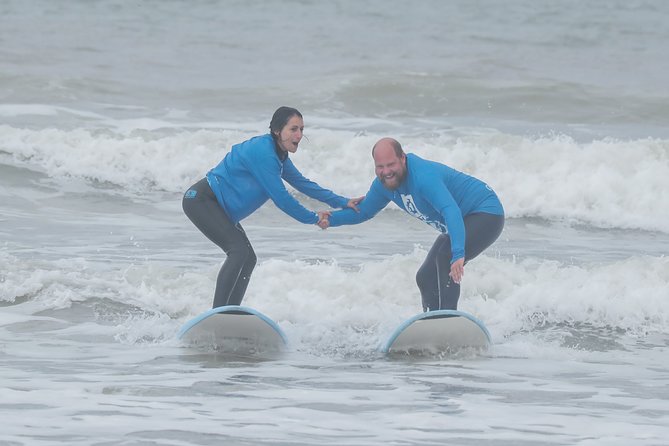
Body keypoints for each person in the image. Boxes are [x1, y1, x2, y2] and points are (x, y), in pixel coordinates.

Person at [183, 106, 362, 309]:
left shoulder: (279, 156)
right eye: (293, 129)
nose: (299, 135)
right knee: (238, 251)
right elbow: (281, 198)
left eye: (302, 129)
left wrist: (342, 201)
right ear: (278, 130)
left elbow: (303, 184)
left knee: (248, 258)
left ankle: (229, 312)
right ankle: (217, 314)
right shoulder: (264, 153)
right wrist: (313, 218)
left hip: (220, 207)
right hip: (202, 200)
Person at [321, 137, 504, 311]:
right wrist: (329, 219)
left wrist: (458, 253)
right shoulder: (383, 184)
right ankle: (431, 323)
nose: (386, 172)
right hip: (460, 220)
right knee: (425, 277)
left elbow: (451, 210)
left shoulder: (423, 177)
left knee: (445, 255)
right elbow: (364, 212)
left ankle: (448, 320)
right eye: (380, 167)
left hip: (485, 212)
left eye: (391, 164)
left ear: (403, 158)